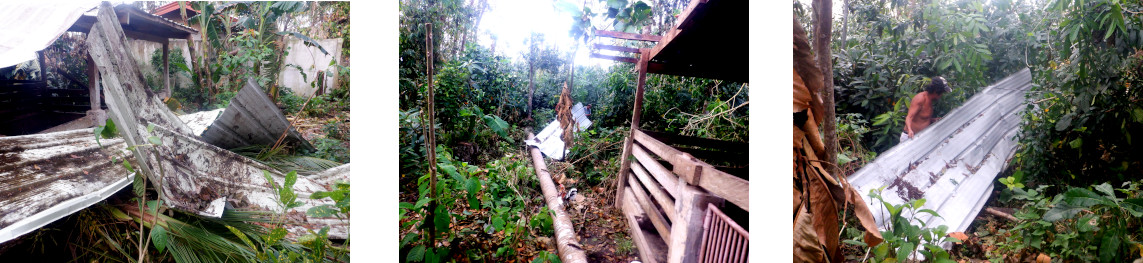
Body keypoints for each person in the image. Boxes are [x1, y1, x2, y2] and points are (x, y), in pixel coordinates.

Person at [901, 76, 951, 142]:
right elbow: (909, 117)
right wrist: (910, 130)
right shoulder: (920, 99)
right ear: (936, 91)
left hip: (920, 137)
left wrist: (932, 120)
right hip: (910, 137)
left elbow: (921, 118)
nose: (941, 95)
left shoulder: (930, 101)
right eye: (941, 93)